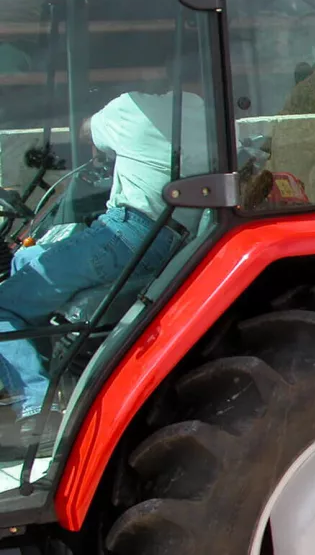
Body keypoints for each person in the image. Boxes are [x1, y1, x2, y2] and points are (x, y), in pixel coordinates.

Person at [0, 64, 210, 444]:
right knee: (26, 261)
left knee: (2, 305)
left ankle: (34, 408)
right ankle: (53, 377)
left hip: (126, 234)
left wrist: (98, 113)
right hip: (174, 239)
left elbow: (87, 133)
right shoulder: (200, 110)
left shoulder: (130, 108)